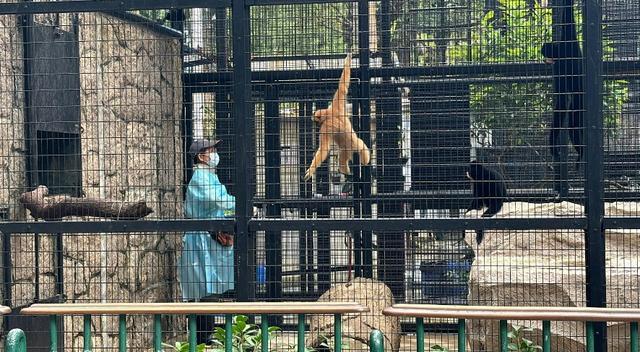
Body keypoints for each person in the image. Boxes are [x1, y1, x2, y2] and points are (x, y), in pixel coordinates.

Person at [178, 139, 236, 344]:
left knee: (207, 288)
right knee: (202, 287)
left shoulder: (210, 177)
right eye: (211, 150)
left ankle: (205, 335)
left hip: (209, 238)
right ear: (201, 156)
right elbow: (222, 202)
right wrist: (243, 207)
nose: (215, 154)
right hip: (200, 238)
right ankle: (201, 337)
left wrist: (236, 209)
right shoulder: (201, 178)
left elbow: (224, 205)